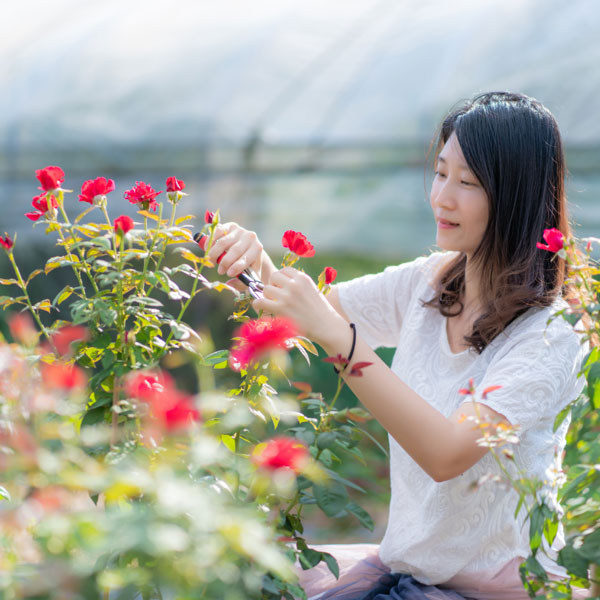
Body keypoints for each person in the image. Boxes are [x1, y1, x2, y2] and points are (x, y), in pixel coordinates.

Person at [204, 92, 590, 599]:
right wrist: (251, 267)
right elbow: (303, 314)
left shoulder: (553, 330)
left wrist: (339, 340)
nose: (442, 197)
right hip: (410, 572)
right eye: (440, 172)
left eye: (468, 182)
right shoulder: (430, 282)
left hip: (493, 590)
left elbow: (448, 453)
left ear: (516, 196)